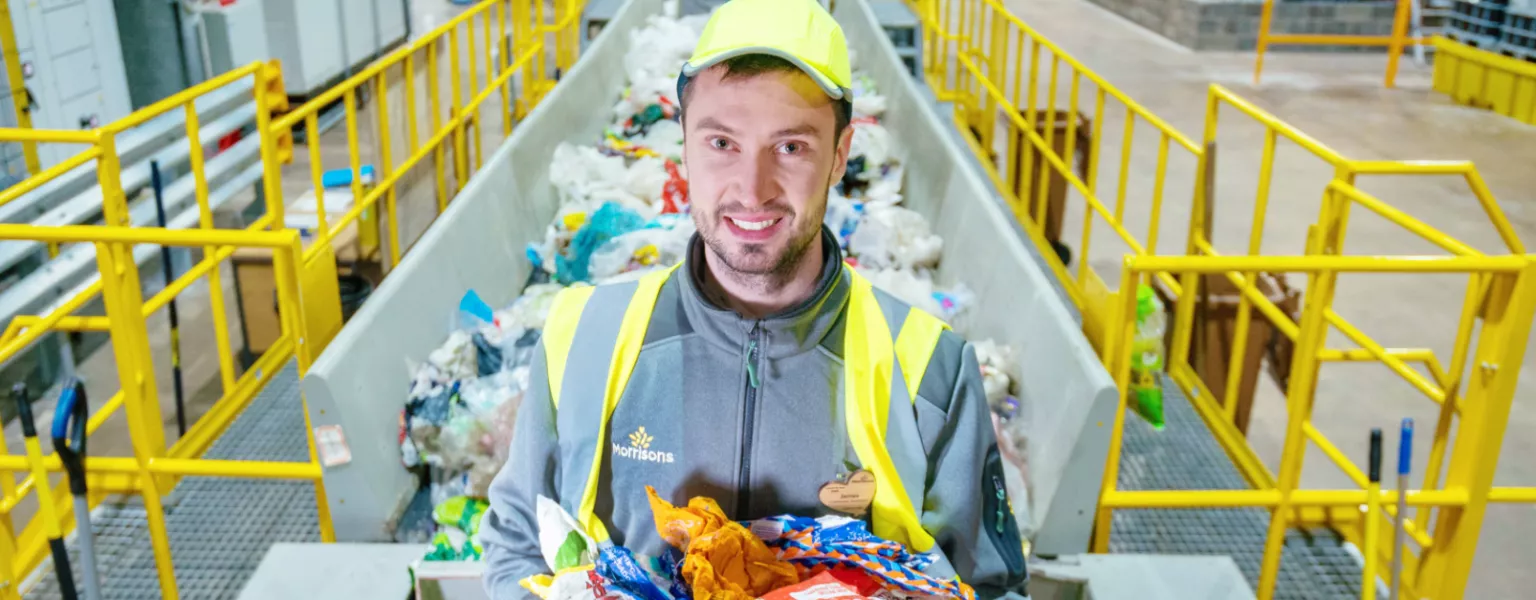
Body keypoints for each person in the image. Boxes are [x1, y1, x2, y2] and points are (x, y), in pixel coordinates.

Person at [479, 0, 1029, 597]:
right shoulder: (583, 340)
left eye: (791, 147)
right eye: (722, 143)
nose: (752, 189)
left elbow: (991, 586)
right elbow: (518, 546)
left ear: (841, 154)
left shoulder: (929, 372)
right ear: (683, 145)